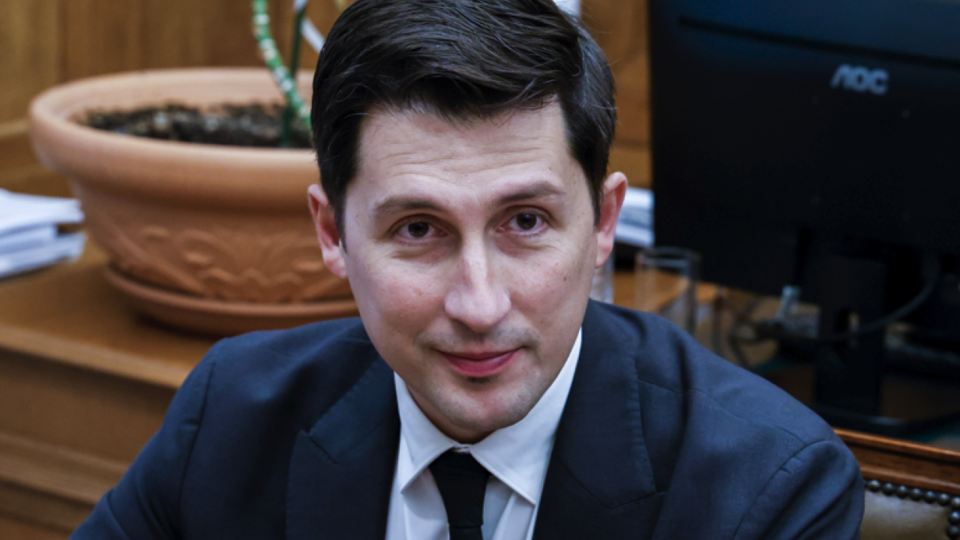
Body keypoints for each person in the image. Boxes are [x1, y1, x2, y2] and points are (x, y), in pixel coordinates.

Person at [71, 0, 864, 538]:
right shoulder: (232, 416)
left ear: (603, 224)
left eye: (526, 222)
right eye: (419, 230)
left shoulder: (768, 487)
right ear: (332, 233)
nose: (479, 306)